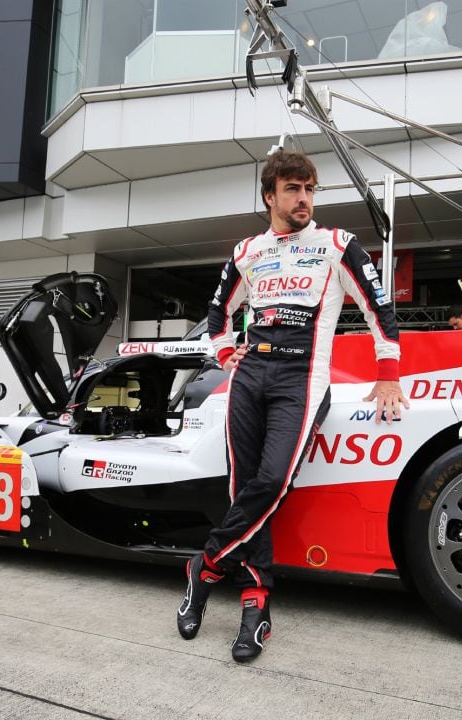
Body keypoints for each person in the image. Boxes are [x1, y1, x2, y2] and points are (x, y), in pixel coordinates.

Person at [177, 150, 409, 662]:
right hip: (248, 376)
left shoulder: (337, 244)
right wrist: (222, 351)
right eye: (293, 189)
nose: (303, 199)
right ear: (270, 196)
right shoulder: (248, 250)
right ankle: (255, 602)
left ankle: (205, 566)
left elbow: (379, 308)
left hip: (302, 377)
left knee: (273, 481)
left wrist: (387, 372)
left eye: (309, 189)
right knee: (243, 488)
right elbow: (217, 312)